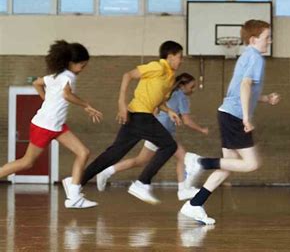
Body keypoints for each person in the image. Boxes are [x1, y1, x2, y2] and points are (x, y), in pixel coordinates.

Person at [179, 19, 280, 225]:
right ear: (253, 39)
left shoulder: (247, 56)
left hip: (227, 113)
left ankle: (195, 204)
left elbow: (242, 91)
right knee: (252, 163)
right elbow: (244, 85)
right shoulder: (255, 58)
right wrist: (246, 117)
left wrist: (265, 98)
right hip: (234, 116)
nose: (269, 41)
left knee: (227, 167)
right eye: (266, 38)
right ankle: (200, 162)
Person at [79, 40, 185, 205]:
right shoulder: (157, 67)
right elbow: (127, 75)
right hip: (140, 115)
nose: (181, 60)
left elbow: (157, 100)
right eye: (180, 57)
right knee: (169, 145)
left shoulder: (169, 78)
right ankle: (142, 183)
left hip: (137, 117)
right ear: (170, 57)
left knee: (114, 154)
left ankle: (76, 182)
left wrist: (169, 111)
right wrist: (121, 103)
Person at [0, 40, 103, 209]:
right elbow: (67, 95)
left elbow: (36, 83)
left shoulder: (55, 76)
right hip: (45, 126)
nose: (83, 69)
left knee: (83, 152)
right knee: (27, 162)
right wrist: (86, 105)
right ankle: (73, 188)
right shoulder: (68, 76)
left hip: (57, 125)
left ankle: (74, 193)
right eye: (82, 66)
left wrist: (46, 99)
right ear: (71, 63)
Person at [95, 72, 208, 201]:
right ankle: (182, 190)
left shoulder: (169, 94)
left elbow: (155, 108)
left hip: (160, 131)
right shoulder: (181, 97)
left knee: (140, 161)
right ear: (182, 86)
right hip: (160, 133)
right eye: (191, 87)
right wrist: (202, 129)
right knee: (182, 157)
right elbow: (187, 120)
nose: (193, 90)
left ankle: (106, 171)